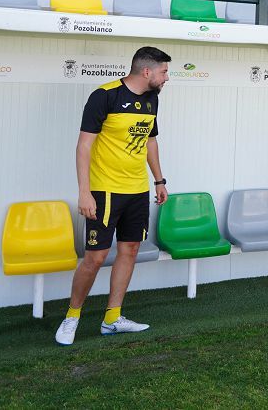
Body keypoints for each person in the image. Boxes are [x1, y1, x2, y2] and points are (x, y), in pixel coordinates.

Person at [53, 47, 172, 346]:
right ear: (146, 71)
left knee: (129, 250)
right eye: (164, 72)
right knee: (95, 257)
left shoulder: (152, 98)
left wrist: (159, 180)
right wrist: (84, 192)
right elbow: (83, 146)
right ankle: (72, 317)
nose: (167, 78)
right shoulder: (104, 96)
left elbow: (150, 141)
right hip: (104, 191)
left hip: (137, 190)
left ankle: (112, 318)